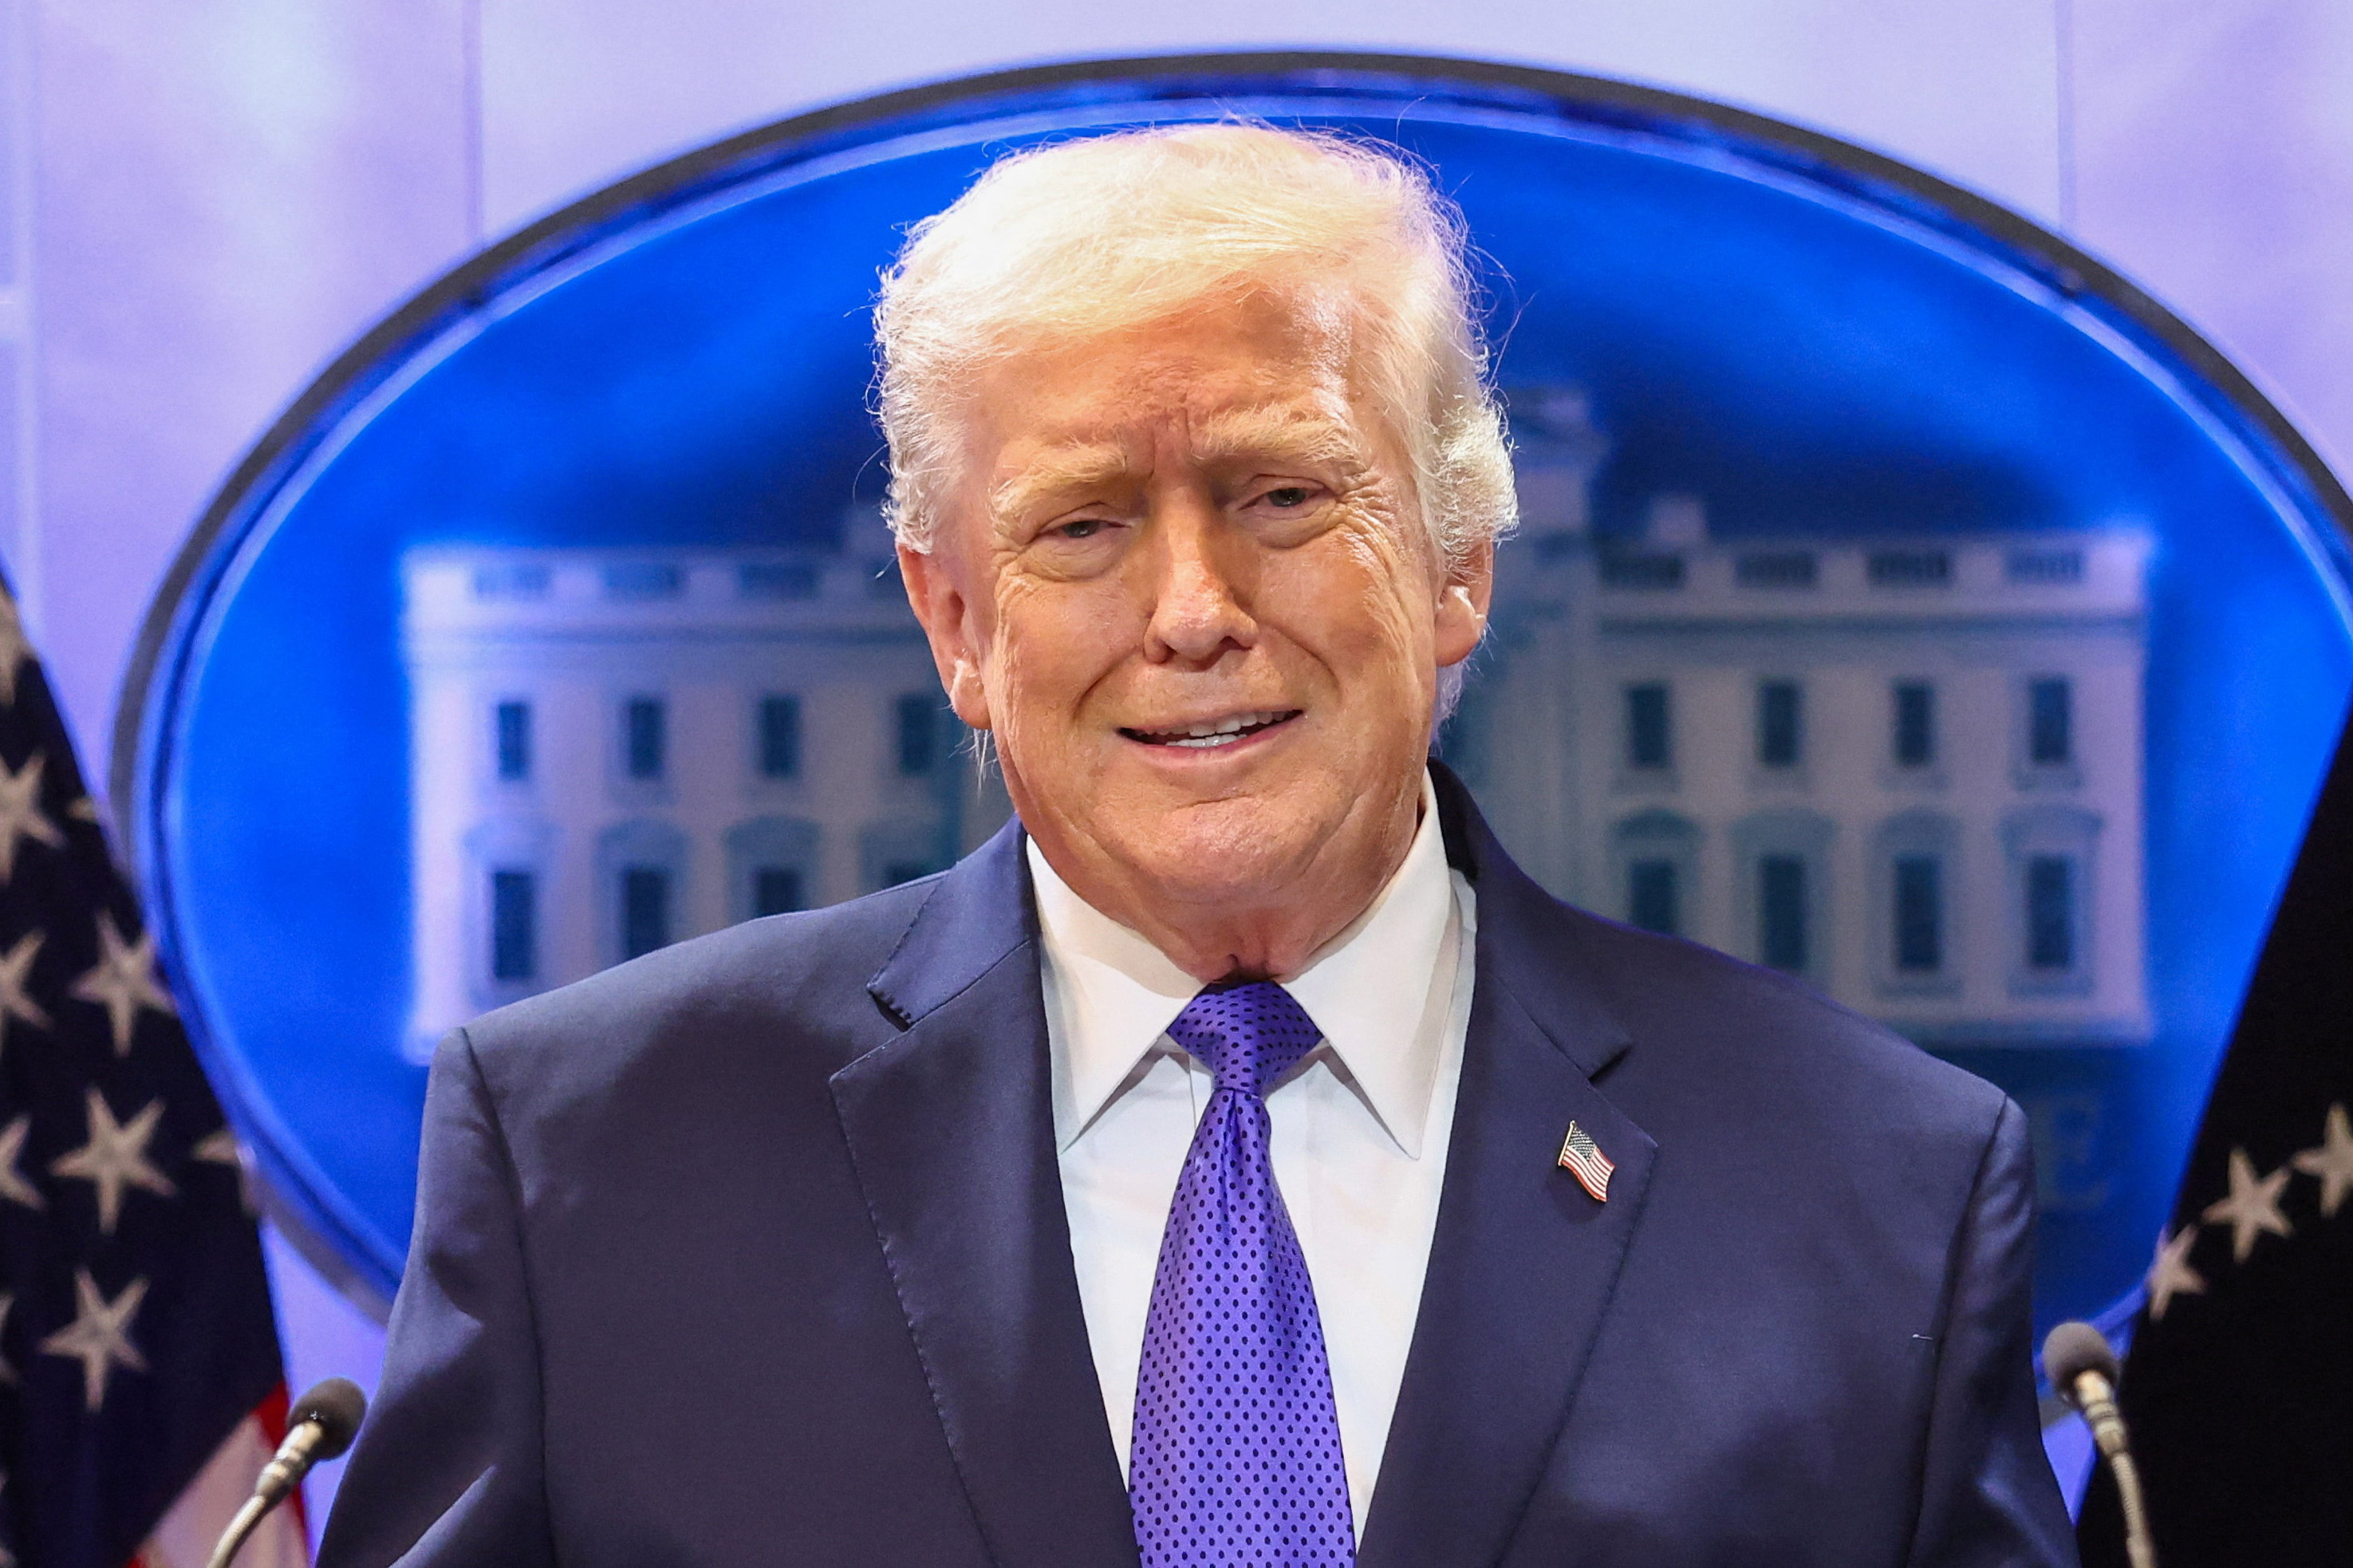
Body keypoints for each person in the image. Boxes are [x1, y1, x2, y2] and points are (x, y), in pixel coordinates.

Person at [321, 125, 2075, 1566]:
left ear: (1457, 559)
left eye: (1281, 496)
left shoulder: (1883, 1187)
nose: (1192, 613)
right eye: (1079, 526)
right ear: (953, 623)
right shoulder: (590, 1162)